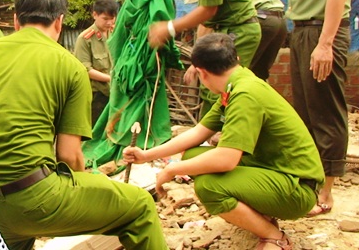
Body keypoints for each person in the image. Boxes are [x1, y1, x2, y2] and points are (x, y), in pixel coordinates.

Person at [0, 0, 167, 250]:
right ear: (59, 21)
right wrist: (78, 190)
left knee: (18, 237)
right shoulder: (70, 66)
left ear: (16, 19)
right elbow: (69, 155)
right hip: (35, 198)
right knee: (140, 205)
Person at [124, 33, 324, 250]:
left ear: (201, 72)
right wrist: (147, 155)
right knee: (193, 156)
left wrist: (171, 170)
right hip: (276, 171)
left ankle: (274, 237)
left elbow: (227, 160)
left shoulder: (245, 95)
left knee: (210, 187)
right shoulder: (237, 83)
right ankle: (261, 214)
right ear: (235, 60)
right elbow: (199, 132)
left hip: (297, 188)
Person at [277, 0, 356, 217]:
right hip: (303, 30)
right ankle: (310, 180)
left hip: (324, 30)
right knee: (307, 110)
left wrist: (325, 43)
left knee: (326, 109)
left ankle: (326, 192)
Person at [73, 0, 118, 125]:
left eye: (112, 18)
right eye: (105, 19)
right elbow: (85, 70)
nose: (109, 23)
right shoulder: (85, 39)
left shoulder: (115, 34)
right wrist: (111, 78)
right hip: (96, 96)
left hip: (114, 94)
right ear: (95, 15)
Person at [248, 0, 288, 81]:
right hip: (280, 20)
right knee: (258, 75)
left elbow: (209, 17)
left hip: (261, 19)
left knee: (232, 71)